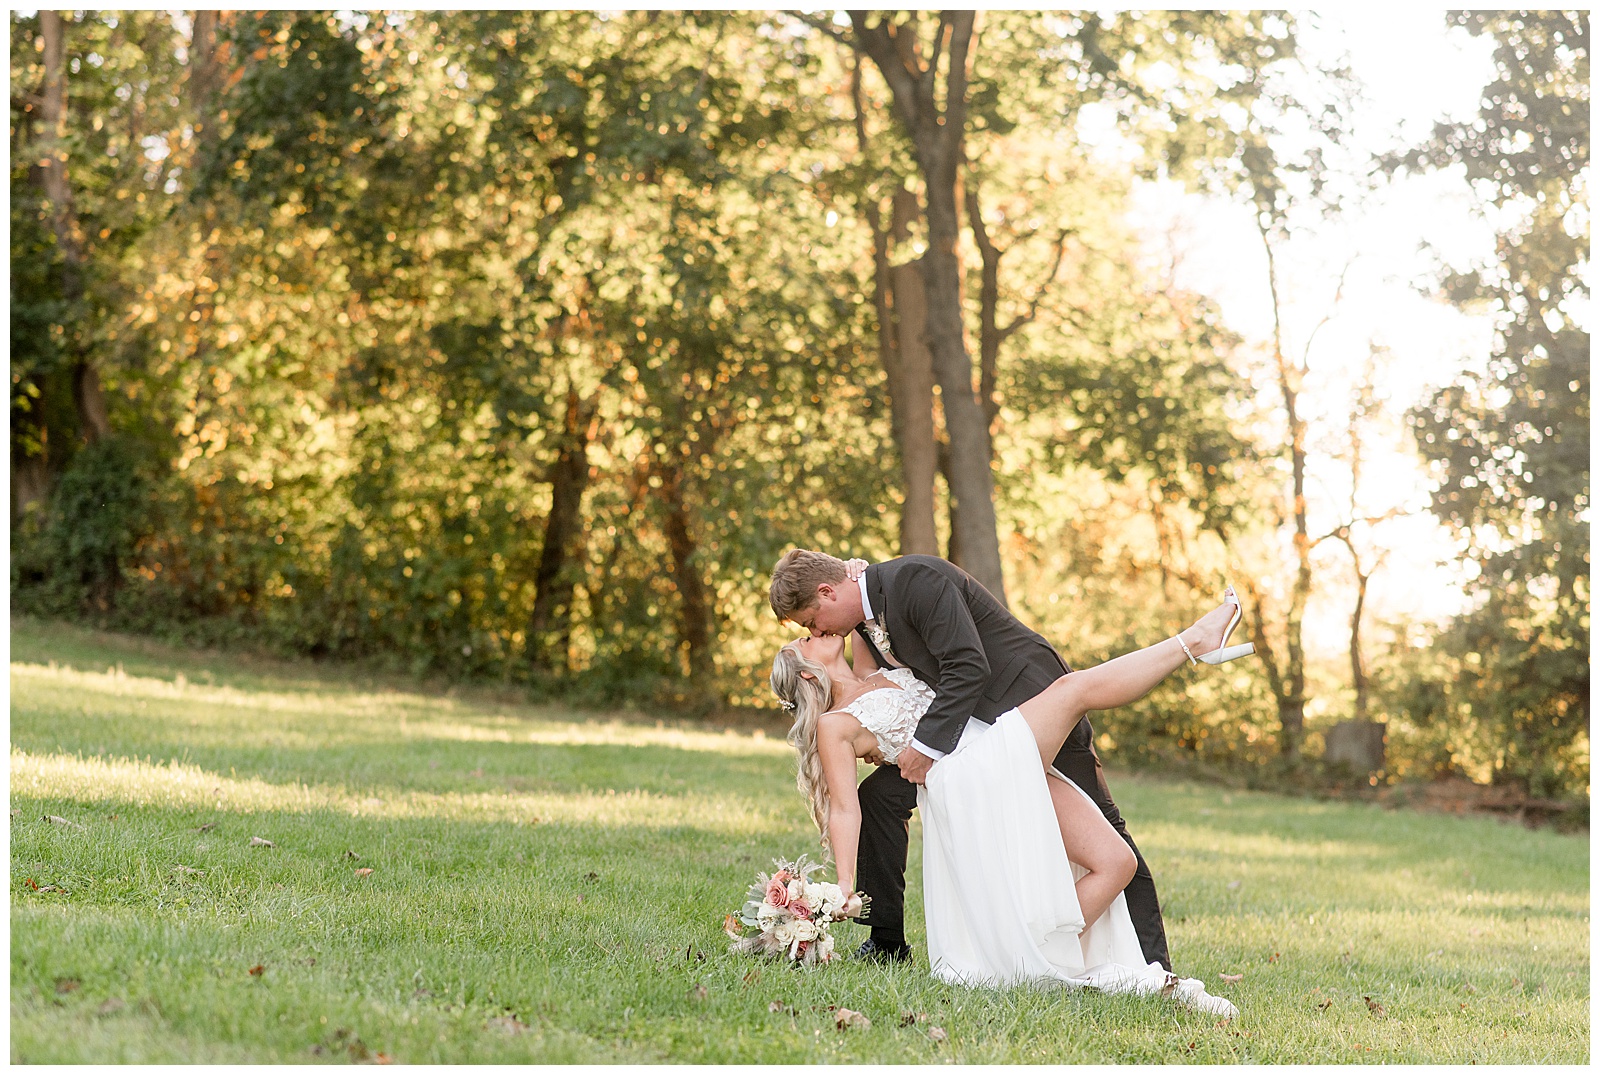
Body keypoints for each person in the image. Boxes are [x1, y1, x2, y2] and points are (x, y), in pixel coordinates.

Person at [767, 552, 1251, 1007]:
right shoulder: (838, 715)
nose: (817, 631)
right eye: (808, 634)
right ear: (809, 676)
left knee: (1115, 855)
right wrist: (845, 884)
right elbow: (845, 805)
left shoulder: (886, 613)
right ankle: (1195, 641)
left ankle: (1045, 956)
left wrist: (856, 576)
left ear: (831, 593)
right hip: (974, 759)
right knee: (1075, 689)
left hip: (1009, 704)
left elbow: (876, 604)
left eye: (810, 623)